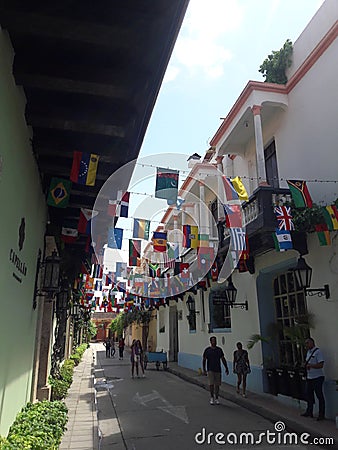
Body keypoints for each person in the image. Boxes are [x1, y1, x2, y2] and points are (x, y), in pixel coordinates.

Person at [301, 337, 325, 421]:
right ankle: (309, 411)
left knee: (319, 395)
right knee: (309, 395)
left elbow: (321, 365)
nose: (306, 345)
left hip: (317, 377)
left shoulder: (318, 352)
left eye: (307, 343)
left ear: (312, 343)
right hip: (309, 377)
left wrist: (310, 366)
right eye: (306, 343)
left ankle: (321, 414)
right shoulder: (308, 352)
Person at [202, 336, 229, 405]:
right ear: (210, 342)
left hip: (218, 369)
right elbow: (204, 360)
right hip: (210, 369)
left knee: (217, 385)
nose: (214, 342)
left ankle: (217, 398)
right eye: (213, 341)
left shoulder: (219, 350)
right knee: (211, 384)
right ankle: (212, 397)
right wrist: (204, 369)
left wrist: (226, 367)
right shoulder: (207, 350)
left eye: (215, 340)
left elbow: (223, 358)